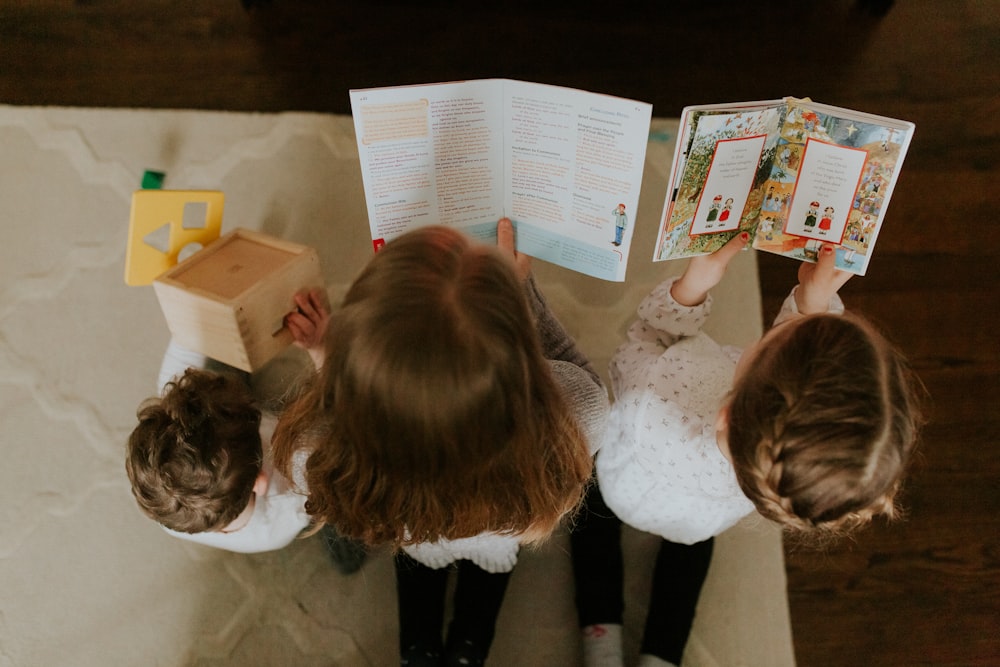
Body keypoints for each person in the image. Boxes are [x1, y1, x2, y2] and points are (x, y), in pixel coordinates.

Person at [572, 234, 922, 667]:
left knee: (589, 515)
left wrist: (691, 289)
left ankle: (600, 635)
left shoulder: (656, 392)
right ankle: (661, 656)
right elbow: (785, 371)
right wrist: (811, 303)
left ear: (727, 415)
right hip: (701, 518)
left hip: (626, 486)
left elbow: (643, 341)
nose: (782, 327)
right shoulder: (780, 468)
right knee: (689, 555)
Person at [271, 219, 609, 666]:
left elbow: (334, 413)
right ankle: (469, 649)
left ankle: (418, 650)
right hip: (499, 529)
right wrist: (524, 292)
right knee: (483, 594)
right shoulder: (575, 415)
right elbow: (577, 372)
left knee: (419, 579)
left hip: (410, 529)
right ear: (519, 355)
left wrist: (325, 356)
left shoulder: (310, 452)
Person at [125, 288, 364, 568]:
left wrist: (203, 303)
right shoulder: (290, 494)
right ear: (260, 482)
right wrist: (321, 347)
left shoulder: (166, 507)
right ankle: (349, 555)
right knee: (344, 510)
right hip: (312, 494)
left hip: (240, 477)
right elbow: (345, 423)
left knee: (220, 365)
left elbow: (185, 342)